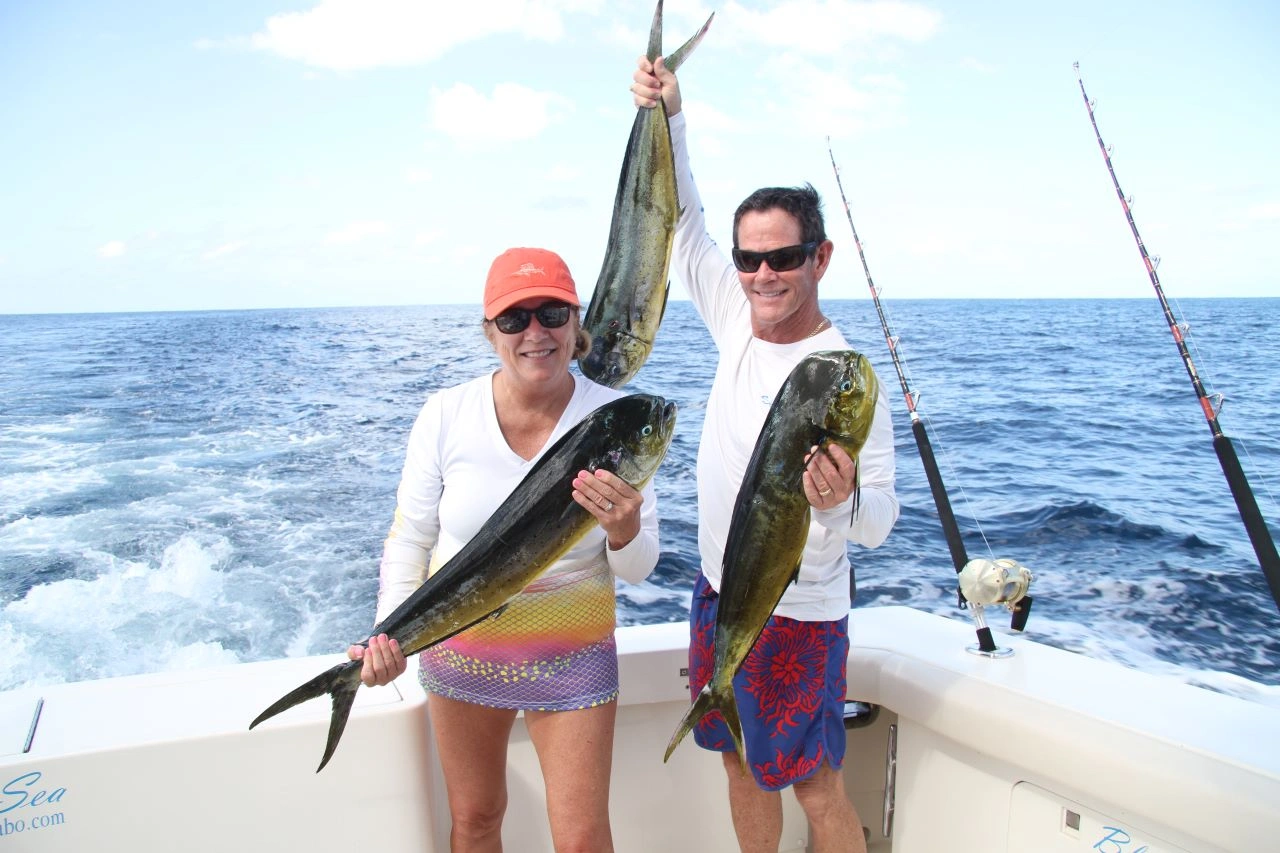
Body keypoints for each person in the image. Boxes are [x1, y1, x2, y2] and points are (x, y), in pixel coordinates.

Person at [633, 57, 899, 853]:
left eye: (782, 257)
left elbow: (879, 523)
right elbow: (684, 229)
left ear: (820, 258)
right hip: (721, 589)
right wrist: (671, 116)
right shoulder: (734, 317)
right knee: (742, 766)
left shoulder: (847, 377)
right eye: (750, 259)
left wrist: (842, 500)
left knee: (814, 782)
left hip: (798, 612)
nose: (762, 274)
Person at [348, 247, 661, 853]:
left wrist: (624, 529)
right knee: (476, 820)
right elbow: (411, 538)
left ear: (577, 324)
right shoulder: (445, 414)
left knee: (581, 838)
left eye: (551, 313)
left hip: (572, 653)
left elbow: (640, 565)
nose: (535, 333)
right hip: (462, 647)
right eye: (514, 319)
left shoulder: (618, 422)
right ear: (490, 332)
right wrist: (386, 633)